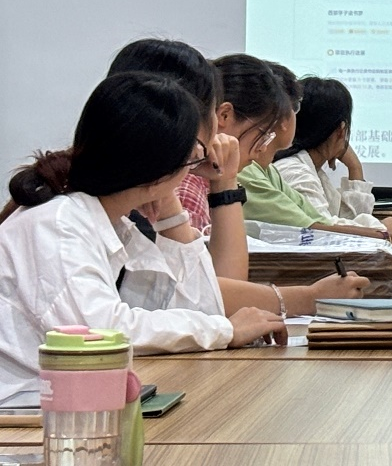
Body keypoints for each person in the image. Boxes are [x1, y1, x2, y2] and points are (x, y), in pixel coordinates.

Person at [0, 73, 287, 398]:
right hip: (21, 413)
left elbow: (199, 305)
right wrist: (224, 330)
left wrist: (172, 213)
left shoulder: (114, 223)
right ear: (159, 169)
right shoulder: (58, 224)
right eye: (195, 153)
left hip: (58, 403)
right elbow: (102, 333)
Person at [109, 40, 368, 312]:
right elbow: (198, 300)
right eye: (208, 112)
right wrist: (307, 298)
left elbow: (209, 286)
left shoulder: (163, 193)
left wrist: (225, 182)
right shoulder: (166, 190)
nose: (211, 128)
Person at [220, 56, 392, 252]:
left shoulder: (265, 169)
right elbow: (314, 234)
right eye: (265, 135)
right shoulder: (258, 170)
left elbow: (322, 224)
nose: (264, 147)